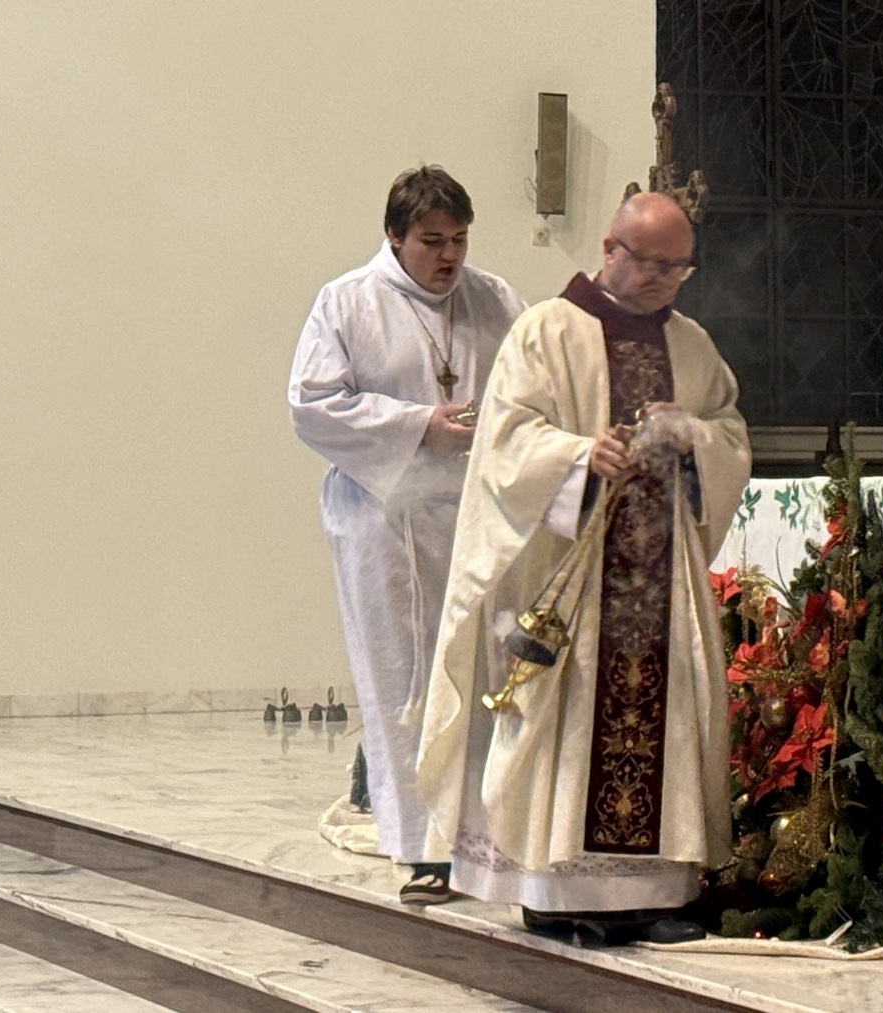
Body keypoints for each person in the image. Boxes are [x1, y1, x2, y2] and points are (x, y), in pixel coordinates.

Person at [415, 192, 750, 946]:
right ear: (609, 249)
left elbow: (730, 431)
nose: (663, 278)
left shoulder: (692, 345)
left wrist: (693, 437)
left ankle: (652, 893)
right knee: (565, 725)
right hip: (572, 574)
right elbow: (504, 442)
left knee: (663, 718)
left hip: (660, 579)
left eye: (678, 266)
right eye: (650, 262)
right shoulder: (547, 330)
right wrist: (577, 456)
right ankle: (553, 889)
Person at [289, 165, 526, 905]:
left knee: (482, 674)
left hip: (475, 515)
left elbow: (532, 387)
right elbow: (312, 405)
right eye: (432, 241)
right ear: (394, 237)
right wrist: (420, 425)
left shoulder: (495, 299)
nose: (449, 256)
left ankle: (485, 836)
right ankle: (425, 848)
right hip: (383, 519)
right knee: (404, 678)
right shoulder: (347, 302)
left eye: (459, 239)